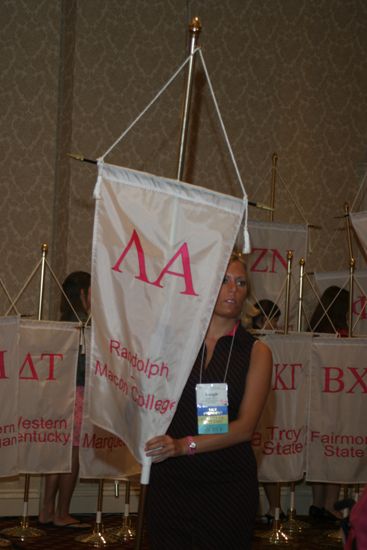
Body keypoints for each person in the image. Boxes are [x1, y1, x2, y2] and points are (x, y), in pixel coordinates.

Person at [145, 251, 273, 549]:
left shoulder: (256, 352)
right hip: (171, 479)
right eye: (224, 280)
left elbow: (244, 428)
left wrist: (182, 445)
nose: (233, 289)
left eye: (240, 283)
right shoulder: (175, 343)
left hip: (227, 483)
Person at [38, 271, 91, 528]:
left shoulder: (60, 323)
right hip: (78, 393)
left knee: (56, 451)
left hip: (56, 393)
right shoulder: (85, 326)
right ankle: (62, 513)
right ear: (83, 293)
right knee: (71, 454)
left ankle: (46, 510)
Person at [308, 285, 349, 522]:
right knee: (337, 449)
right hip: (336, 398)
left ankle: (316, 504)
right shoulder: (340, 333)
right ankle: (331, 505)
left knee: (319, 450)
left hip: (314, 400)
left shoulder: (314, 329)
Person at [252, 300, 285, 524]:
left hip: (268, 410)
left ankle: (274, 509)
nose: (277, 324)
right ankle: (254, 512)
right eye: (274, 319)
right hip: (253, 411)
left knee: (269, 462)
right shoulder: (252, 344)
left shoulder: (279, 343)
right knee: (249, 464)